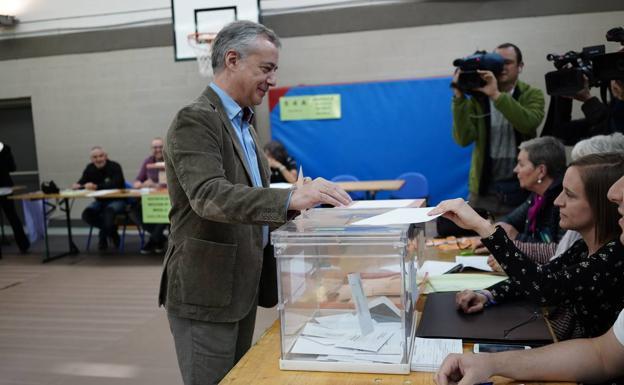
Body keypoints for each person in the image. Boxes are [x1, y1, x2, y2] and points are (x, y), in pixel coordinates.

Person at [159, 20, 352, 385]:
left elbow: (252, 209)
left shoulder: (245, 127)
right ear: (232, 60)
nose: (273, 80)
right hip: (206, 289)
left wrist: (295, 206)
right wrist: (289, 196)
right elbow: (209, 196)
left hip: (240, 286)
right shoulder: (195, 119)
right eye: (266, 68)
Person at [434, 174, 624, 385]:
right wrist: (489, 295)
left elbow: (544, 285)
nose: (557, 201)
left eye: (569, 194)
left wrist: (484, 228)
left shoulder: (614, 255)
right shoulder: (582, 246)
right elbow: (601, 355)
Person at [452, 43, 545, 217]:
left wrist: (495, 95)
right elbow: (463, 139)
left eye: (507, 62)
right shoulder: (478, 98)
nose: (501, 67)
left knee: (514, 239)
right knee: (474, 240)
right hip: (484, 185)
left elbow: (528, 124)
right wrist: (459, 97)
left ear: (520, 66)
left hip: (521, 183)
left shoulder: (532, 94)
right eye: (496, 61)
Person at [496, 136, 566, 243]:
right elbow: (508, 222)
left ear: (541, 171)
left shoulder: (562, 202)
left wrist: (518, 237)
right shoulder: (537, 196)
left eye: (521, 164)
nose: (515, 170)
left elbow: (560, 251)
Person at [73, 146, 126, 250]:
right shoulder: (90, 168)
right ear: (91, 159)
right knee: (86, 214)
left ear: (105, 156)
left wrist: (96, 187)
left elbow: (117, 184)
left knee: (108, 212)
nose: (98, 159)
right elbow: (82, 182)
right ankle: (112, 231)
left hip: (117, 200)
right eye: (95, 157)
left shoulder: (115, 166)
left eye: (101, 156)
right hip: (100, 201)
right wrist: (78, 185)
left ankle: (102, 237)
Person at [132, 137, 167, 254]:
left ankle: (152, 241)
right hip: (151, 201)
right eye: (155, 147)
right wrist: (143, 184)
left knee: (164, 214)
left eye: (160, 147)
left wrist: (159, 185)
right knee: (134, 212)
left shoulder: (171, 160)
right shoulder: (148, 161)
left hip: (168, 201)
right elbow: (137, 182)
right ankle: (160, 238)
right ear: (151, 149)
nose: (158, 149)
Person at [0, 142, 30, 253]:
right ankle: (23, 245)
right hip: (6, 186)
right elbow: (12, 168)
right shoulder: (6, 149)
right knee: (12, 217)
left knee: (13, 216)